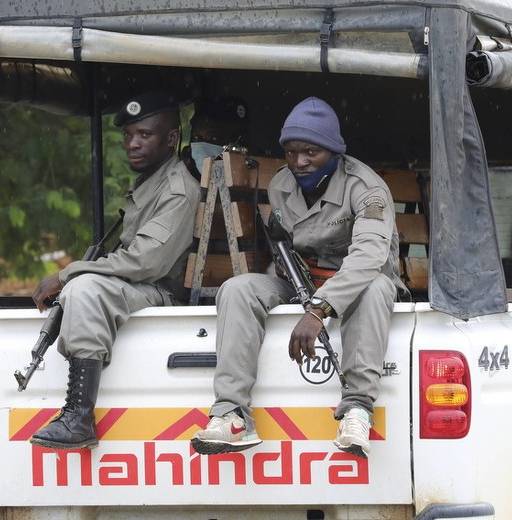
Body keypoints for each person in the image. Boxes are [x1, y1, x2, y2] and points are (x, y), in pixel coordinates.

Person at [191, 96, 406, 458]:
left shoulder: (365, 189)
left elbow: (369, 256)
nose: (299, 162)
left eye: (311, 152)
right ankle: (232, 415)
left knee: (374, 288)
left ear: (334, 151)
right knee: (238, 289)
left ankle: (357, 410)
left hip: (359, 286)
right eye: (291, 152)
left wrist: (319, 310)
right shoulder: (281, 185)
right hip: (303, 282)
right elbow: (284, 239)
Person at [29, 91, 201, 450]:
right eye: (128, 135)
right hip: (142, 287)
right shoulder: (151, 181)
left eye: (145, 135)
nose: (132, 144)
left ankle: (78, 417)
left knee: (84, 289)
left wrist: (67, 274)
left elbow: (145, 262)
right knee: (83, 286)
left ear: (172, 138)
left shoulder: (177, 190)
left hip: (162, 292)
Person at [181, 96, 250, 181]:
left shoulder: (254, 181)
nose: (203, 148)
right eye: (197, 138)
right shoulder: (184, 179)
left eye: (215, 139)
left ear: (237, 141)